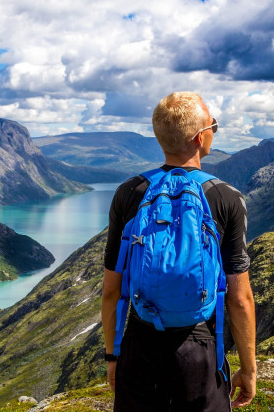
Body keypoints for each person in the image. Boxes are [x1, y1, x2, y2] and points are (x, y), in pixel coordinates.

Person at [101, 92, 257, 411]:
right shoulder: (226, 198)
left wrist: (113, 357)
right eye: (214, 125)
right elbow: (240, 298)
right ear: (201, 137)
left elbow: (111, 291)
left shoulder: (130, 193)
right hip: (200, 348)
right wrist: (249, 369)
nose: (214, 131)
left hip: (140, 342)